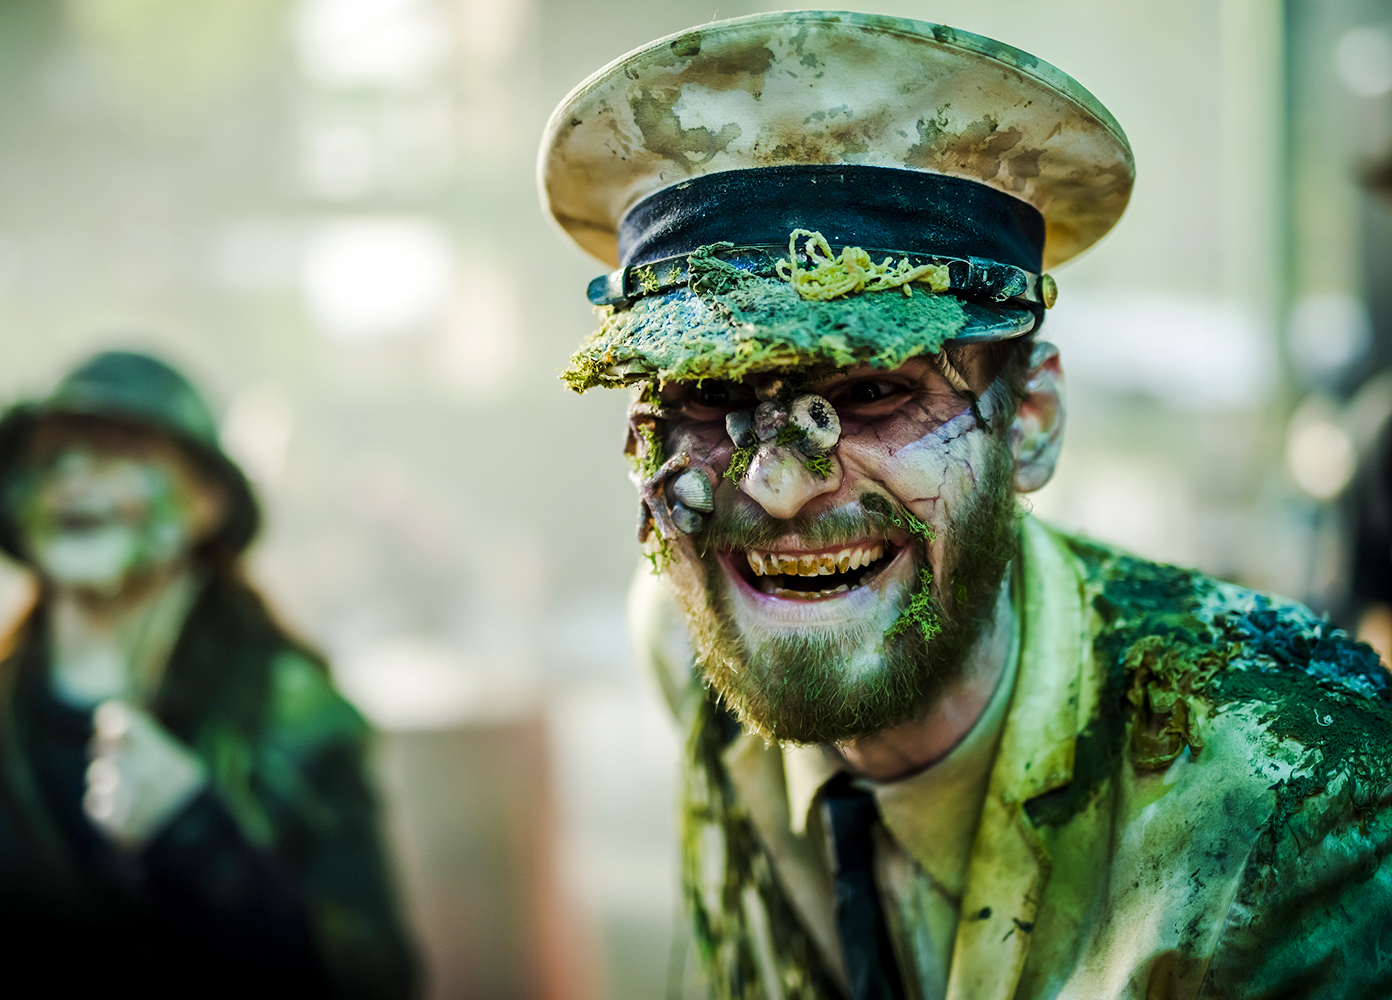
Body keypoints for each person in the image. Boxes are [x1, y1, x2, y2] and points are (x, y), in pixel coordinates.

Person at [540, 12, 1392, 1000]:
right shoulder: (689, 642)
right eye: (706, 395)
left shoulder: (1295, 802)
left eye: (871, 394)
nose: (775, 487)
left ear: (1027, 420)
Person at [0, 351, 416, 997]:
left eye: (115, 450)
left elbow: (377, 980)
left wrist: (196, 834)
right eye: (50, 457)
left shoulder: (293, 716)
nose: (73, 478)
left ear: (204, 500)